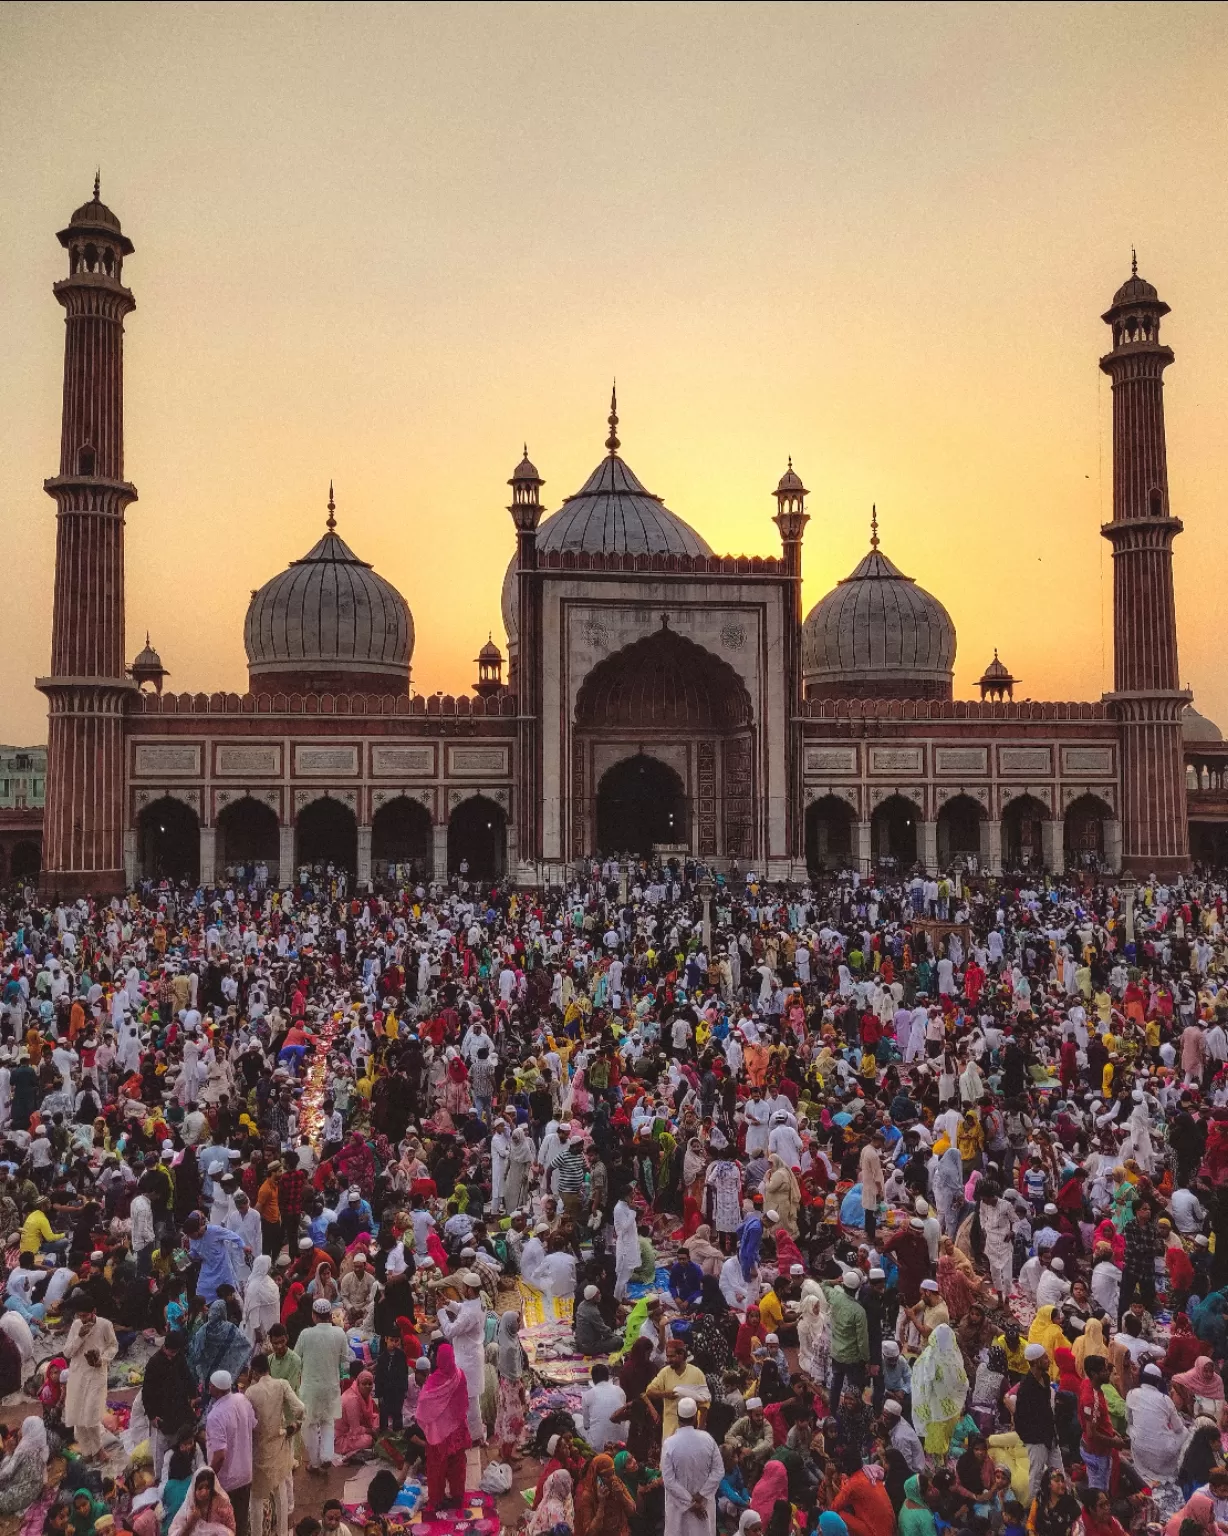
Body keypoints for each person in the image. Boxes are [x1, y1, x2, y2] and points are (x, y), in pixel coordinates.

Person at [245, 1352, 304, 1536]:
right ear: (268, 1368)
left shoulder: (250, 1392)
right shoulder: (281, 1384)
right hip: (279, 1443)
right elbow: (300, 1408)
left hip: (259, 1449)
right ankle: (283, 1532)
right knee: (280, 1492)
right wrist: (295, 1425)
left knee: (256, 1497)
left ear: (254, 1372)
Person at [415, 1343, 472, 1509]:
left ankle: (437, 1499)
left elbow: (424, 1405)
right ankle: (457, 1496)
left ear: (437, 1360)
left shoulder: (433, 1381)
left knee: (436, 1467)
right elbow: (463, 1401)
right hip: (457, 1429)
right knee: (458, 1465)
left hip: (438, 1433)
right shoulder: (460, 1375)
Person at [298, 1296, 351, 1472]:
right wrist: (343, 1379)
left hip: (310, 1387)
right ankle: (327, 1455)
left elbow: (297, 1360)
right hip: (331, 1385)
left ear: (314, 1316)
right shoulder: (339, 1333)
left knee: (311, 1424)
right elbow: (345, 1363)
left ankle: (314, 1463)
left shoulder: (306, 1334)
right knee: (328, 1422)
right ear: (329, 1315)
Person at [63, 1292, 117, 1459]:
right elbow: (67, 1352)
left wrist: (102, 1359)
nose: (83, 1319)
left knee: (91, 1415)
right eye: (80, 1316)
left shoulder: (105, 1325)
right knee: (78, 1414)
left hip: (97, 1374)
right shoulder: (76, 1326)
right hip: (78, 1374)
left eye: (85, 1315)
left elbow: (113, 1346)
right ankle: (87, 1451)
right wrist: (80, 1336)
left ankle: (99, 1449)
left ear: (94, 1311)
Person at [660, 1398, 724, 1536]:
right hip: (704, 1506)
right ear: (695, 1417)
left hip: (679, 1509)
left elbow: (669, 1481)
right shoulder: (708, 1439)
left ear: (678, 1416)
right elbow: (719, 1471)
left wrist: (690, 1503)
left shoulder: (670, 1444)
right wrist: (700, 1496)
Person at [205, 1370, 257, 1536]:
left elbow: (220, 1454)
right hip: (245, 1473)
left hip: (227, 1480)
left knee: (225, 1526)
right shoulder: (242, 1400)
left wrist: (208, 1476)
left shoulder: (215, 1415)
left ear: (217, 1389)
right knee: (240, 1521)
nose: (209, 1387)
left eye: (211, 1385)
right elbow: (254, 1425)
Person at [438, 1270, 486, 1441]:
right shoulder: (477, 1303)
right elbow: (462, 1308)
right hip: (471, 1355)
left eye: (464, 1288)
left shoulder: (470, 1313)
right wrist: (449, 1304)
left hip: (468, 1359)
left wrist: (441, 1313)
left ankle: (473, 1436)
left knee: (471, 1400)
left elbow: (450, 1331)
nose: (462, 1290)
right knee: (470, 1399)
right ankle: (474, 1432)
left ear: (470, 1290)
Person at [576, 1452, 638, 1536]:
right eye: (606, 1476)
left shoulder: (617, 1482)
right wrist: (601, 1504)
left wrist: (621, 1497)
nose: (612, 1478)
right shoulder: (588, 1495)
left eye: (612, 1473)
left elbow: (632, 1511)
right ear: (596, 1477)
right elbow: (589, 1533)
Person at [0, 1416, 49, 1516]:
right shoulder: (41, 1447)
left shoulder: (24, 1448)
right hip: (33, 1492)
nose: (21, 1430)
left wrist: (9, 1453)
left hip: (17, 1497)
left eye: (23, 1426)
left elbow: (5, 1474)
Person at [167, 1469, 235, 1536]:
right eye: (200, 1488)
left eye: (207, 1488)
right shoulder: (188, 1509)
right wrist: (191, 1523)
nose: (204, 1492)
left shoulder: (222, 1506)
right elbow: (173, 1533)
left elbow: (231, 1532)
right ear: (194, 1489)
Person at [334, 1371, 378, 1458]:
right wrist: (371, 1431)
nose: (367, 1387)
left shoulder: (365, 1397)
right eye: (364, 1384)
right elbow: (355, 1430)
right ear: (358, 1384)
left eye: (370, 1384)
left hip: (351, 1430)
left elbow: (368, 1417)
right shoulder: (352, 1400)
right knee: (368, 1440)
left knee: (378, 1419)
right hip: (340, 1438)